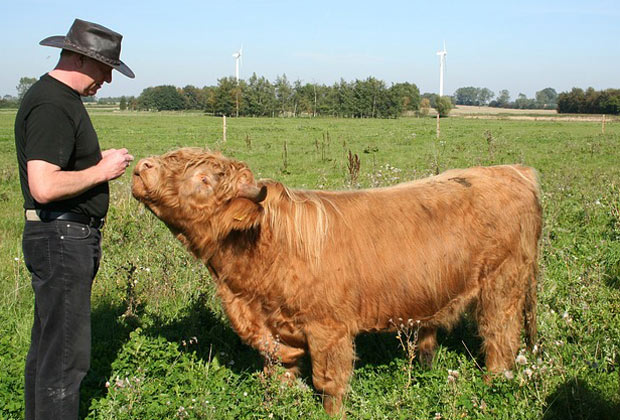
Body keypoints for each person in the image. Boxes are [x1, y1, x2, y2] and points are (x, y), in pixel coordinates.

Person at [14, 18, 135, 420]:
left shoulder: (58, 99)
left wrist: (93, 161)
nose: (108, 80)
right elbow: (44, 185)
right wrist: (101, 171)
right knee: (66, 360)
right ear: (80, 58)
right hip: (62, 239)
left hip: (59, 237)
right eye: (105, 69)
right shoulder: (52, 104)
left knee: (49, 352)